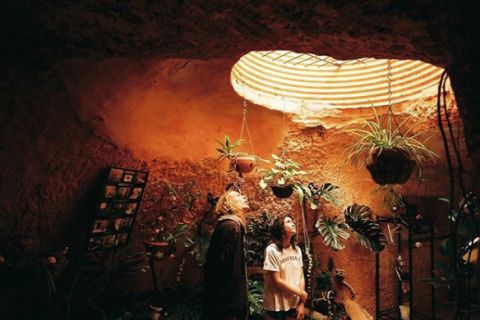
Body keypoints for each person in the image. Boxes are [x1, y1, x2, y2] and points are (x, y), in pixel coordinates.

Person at [202, 189, 250, 320]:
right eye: (239, 197)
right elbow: (229, 267)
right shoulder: (232, 227)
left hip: (222, 300)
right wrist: (235, 305)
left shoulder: (227, 225)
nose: (244, 198)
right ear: (230, 203)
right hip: (227, 304)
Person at [263, 216, 307, 320]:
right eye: (288, 221)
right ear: (281, 229)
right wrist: (300, 293)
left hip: (293, 304)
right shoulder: (272, 250)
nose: (293, 223)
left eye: (292, 221)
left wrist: (301, 303)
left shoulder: (297, 250)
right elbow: (277, 281)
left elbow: (301, 277)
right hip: (275, 306)